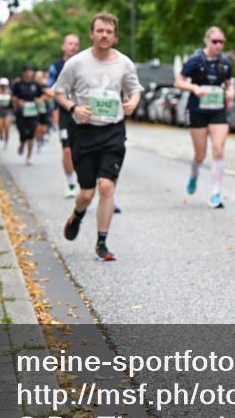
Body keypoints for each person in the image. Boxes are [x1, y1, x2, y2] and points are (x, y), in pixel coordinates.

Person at [52, 13, 142, 262]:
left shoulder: (124, 63)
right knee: (87, 193)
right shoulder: (76, 63)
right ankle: (77, 214)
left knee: (106, 186)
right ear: (91, 34)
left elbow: (135, 90)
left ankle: (102, 243)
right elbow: (58, 92)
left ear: (115, 37)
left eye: (109, 32)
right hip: (84, 131)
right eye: (100, 30)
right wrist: (73, 108)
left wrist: (132, 103)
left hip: (113, 130)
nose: (104, 35)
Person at [175, 26, 235, 208]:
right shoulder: (196, 60)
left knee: (218, 149)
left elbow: (229, 83)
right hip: (198, 111)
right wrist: (194, 88)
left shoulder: (225, 63)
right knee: (200, 155)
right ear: (207, 41)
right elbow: (178, 82)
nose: (218, 45)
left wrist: (231, 91)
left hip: (218, 110)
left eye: (221, 42)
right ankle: (194, 175)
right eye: (215, 41)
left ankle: (216, 193)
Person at [45, 33, 82, 198]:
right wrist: (60, 100)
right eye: (70, 43)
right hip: (65, 114)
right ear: (63, 46)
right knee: (67, 150)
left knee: (82, 151)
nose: (73, 46)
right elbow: (49, 89)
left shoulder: (84, 64)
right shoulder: (56, 66)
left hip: (82, 113)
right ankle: (71, 184)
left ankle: (90, 184)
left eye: (76, 44)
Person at [12, 65, 44, 165]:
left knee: (31, 134)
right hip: (21, 112)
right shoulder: (18, 84)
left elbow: (42, 96)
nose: (30, 73)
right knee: (22, 133)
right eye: (28, 71)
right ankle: (22, 143)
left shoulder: (36, 85)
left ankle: (29, 157)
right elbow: (13, 97)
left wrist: (39, 100)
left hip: (33, 112)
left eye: (31, 71)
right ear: (24, 73)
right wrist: (18, 101)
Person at [0, 78, 13, 147]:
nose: (3, 86)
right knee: (0, 126)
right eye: (2, 85)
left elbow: (13, 103)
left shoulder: (10, 93)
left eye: (4, 85)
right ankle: (0, 134)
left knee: (7, 126)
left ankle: (6, 141)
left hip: (7, 111)